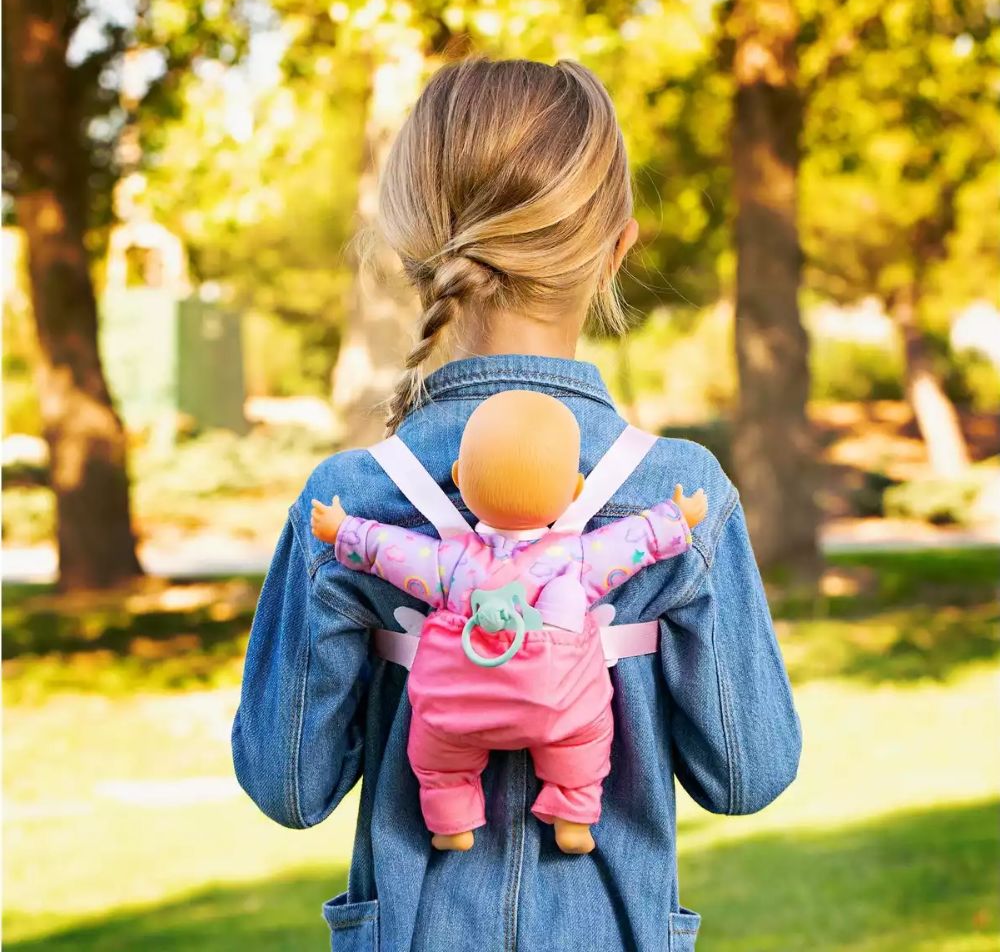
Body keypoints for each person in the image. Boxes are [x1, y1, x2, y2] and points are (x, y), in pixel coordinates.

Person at [232, 58, 801, 952]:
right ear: (617, 248)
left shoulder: (349, 503)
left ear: (412, 251)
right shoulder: (678, 496)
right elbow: (748, 773)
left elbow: (288, 786)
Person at [309, 389, 707, 856]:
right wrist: (675, 520)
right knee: (584, 741)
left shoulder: (451, 563)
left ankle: (451, 821)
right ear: (575, 491)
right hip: (558, 706)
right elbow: (631, 542)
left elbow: (391, 552)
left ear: (460, 477)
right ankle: (573, 815)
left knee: (438, 761)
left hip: (458, 710)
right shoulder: (575, 559)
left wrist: (344, 530)